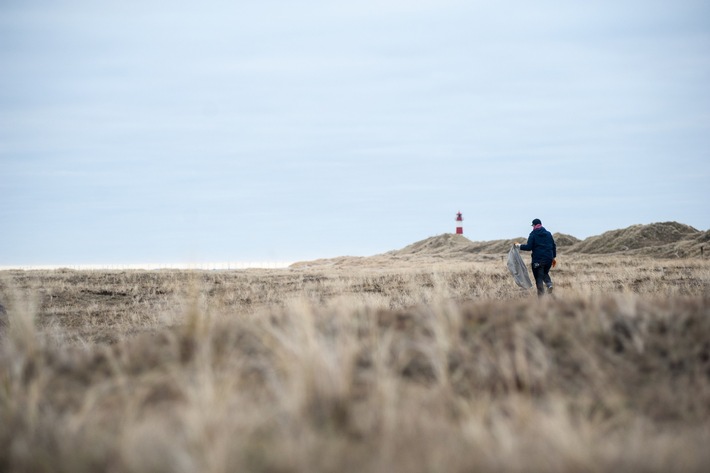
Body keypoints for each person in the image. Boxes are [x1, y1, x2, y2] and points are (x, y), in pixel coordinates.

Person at [515, 218, 557, 297]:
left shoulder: (533, 234)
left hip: (538, 260)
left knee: (539, 278)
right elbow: (553, 245)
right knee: (544, 273)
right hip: (549, 259)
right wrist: (553, 257)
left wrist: (519, 246)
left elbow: (529, 247)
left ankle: (540, 299)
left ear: (534, 225)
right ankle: (549, 284)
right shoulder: (548, 234)